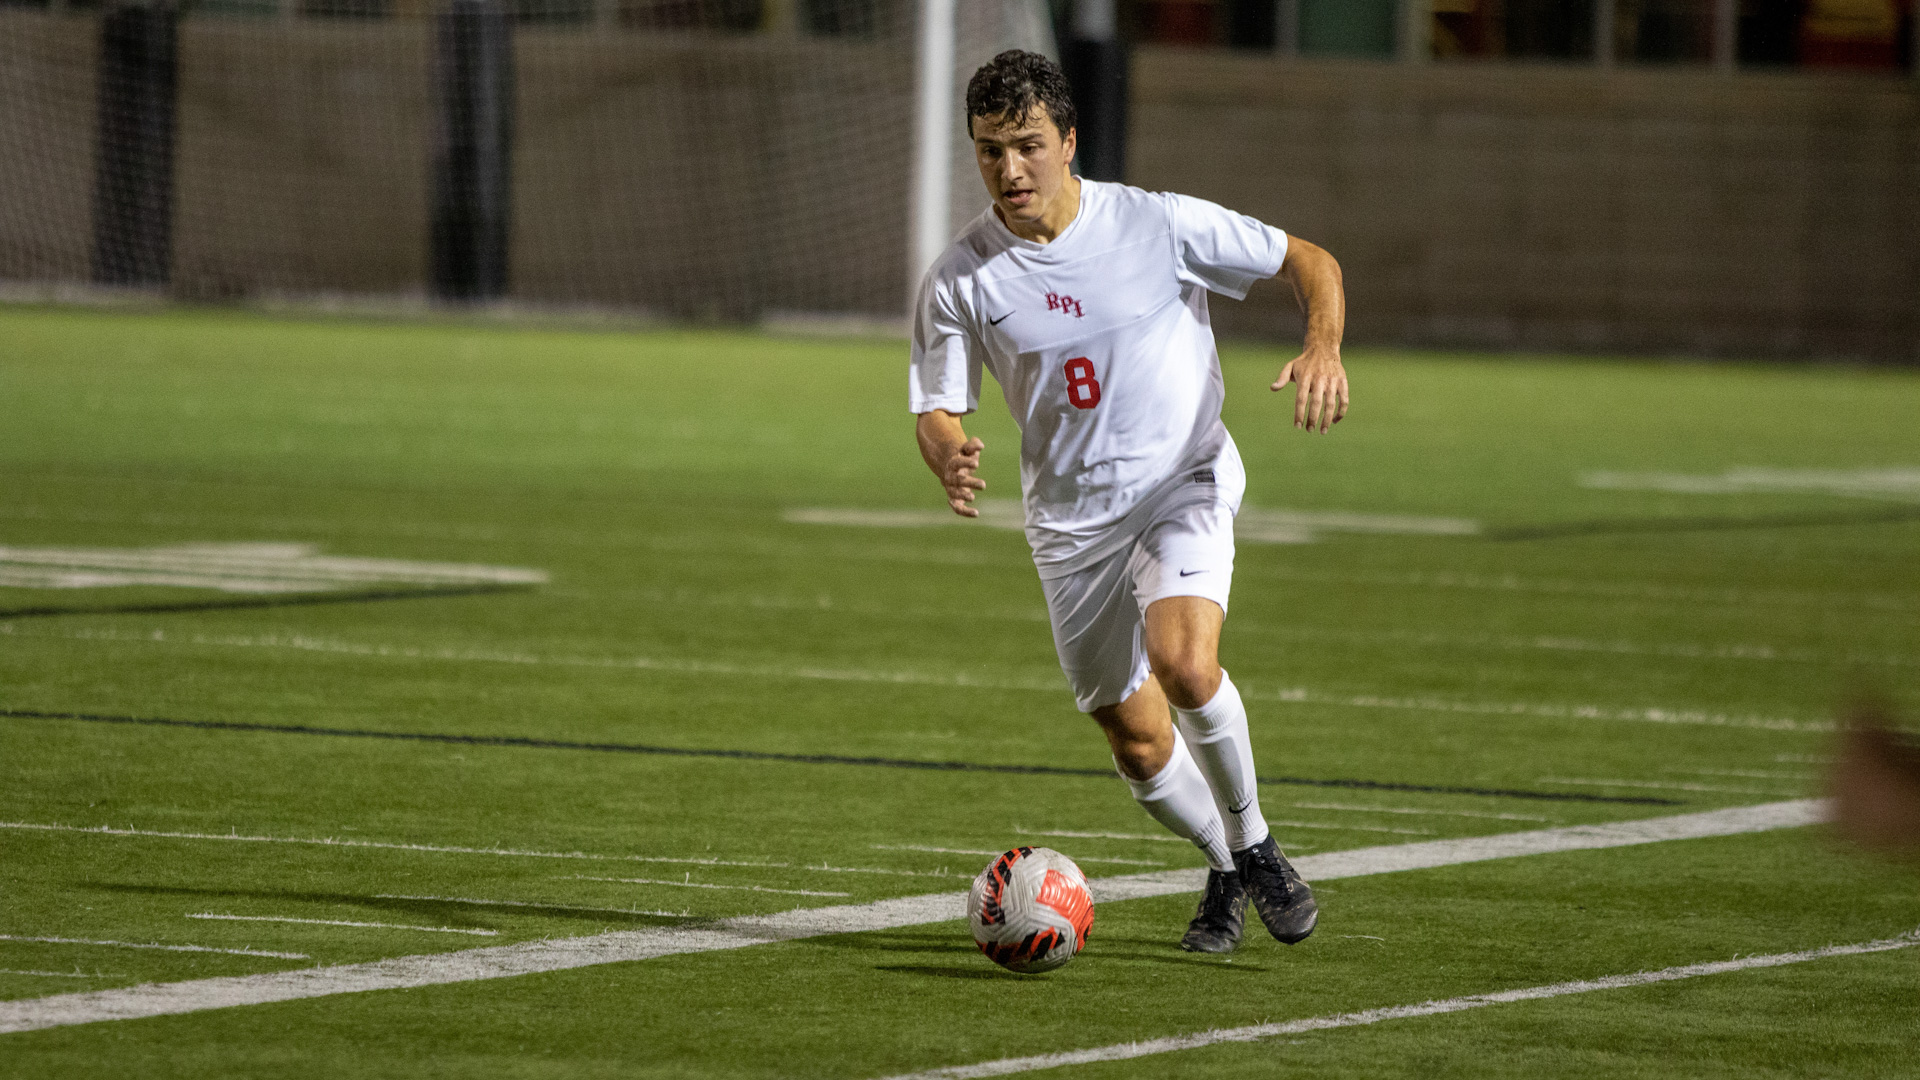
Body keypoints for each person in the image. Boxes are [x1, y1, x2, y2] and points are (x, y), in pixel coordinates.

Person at [910, 50, 1349, 953]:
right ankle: (1226, 865)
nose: (1010, 170)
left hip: (1180, 477)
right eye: (990, 151)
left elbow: (1311, 260)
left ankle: (1258, 847)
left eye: (1028, 146)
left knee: (1183, 663)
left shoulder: (1155, 223)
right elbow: (938, 405)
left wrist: (1323, 345)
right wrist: (949, 452)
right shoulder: (961, 277)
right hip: (1071, 526)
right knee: (1141, 745)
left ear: (1069, 141)